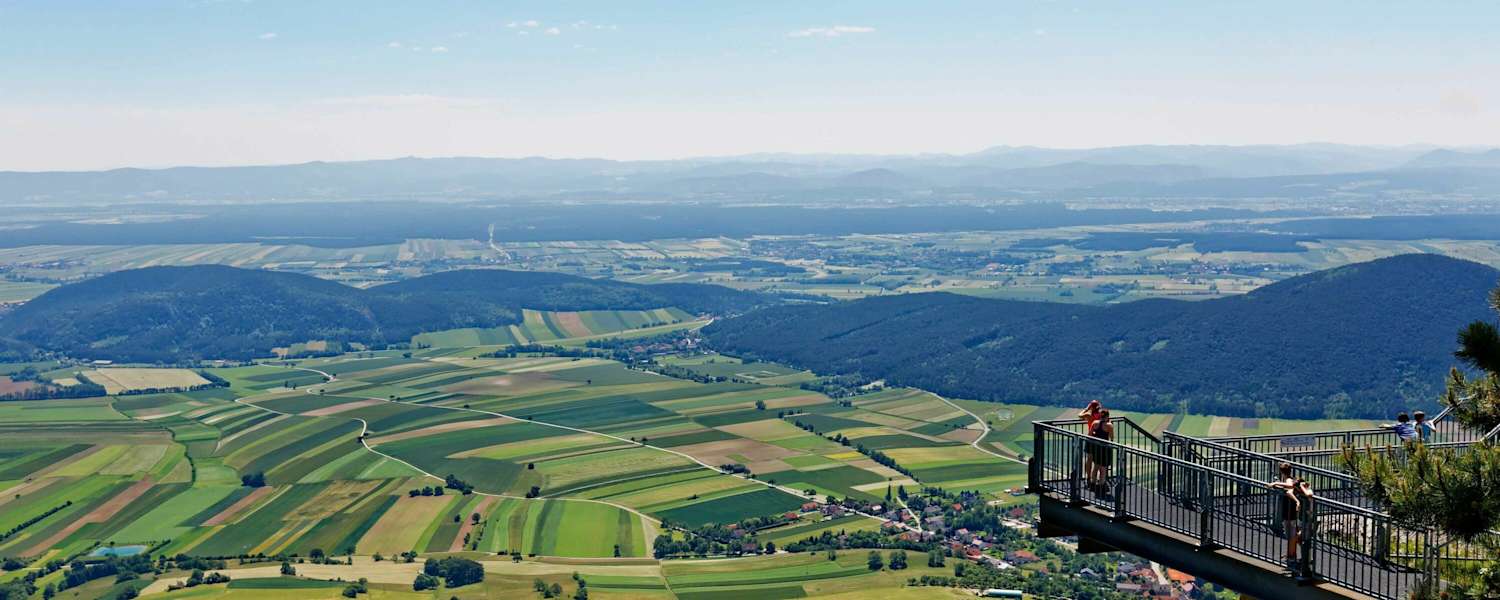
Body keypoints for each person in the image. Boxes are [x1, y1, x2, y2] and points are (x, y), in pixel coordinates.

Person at [1269, 462, 1315, 573]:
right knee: (1297, 535)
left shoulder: (1290, 481)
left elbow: (1290, 488)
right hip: (1299, 513)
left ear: (1281, 472)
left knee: (1292, 535)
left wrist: (1275, 482)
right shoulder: (1292, 480)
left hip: (1292, 512)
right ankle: (1301, 556)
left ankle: (1293, 558)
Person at [1087, 409, 1114, 496]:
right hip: (1105, 448)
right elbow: (1112, 437)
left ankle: (1092, 484)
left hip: (1096, 447)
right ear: (1107, 417)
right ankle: (1101, 486)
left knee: (1096, 467)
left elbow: (1090, 435)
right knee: (1103, 469)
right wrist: (1111, 425)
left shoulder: (1095, 423)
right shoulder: (1109, 425)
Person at [1079, 400, 1103, 481]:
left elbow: (1080, 415)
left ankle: (1088, 477)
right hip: (1100, 438)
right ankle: (1099, 478)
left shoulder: (1089, 414)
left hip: (1091, 438)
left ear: (1091, 407)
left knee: (1089, 459)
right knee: (1099, 459)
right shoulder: (1101, 414)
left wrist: (1086, 408)